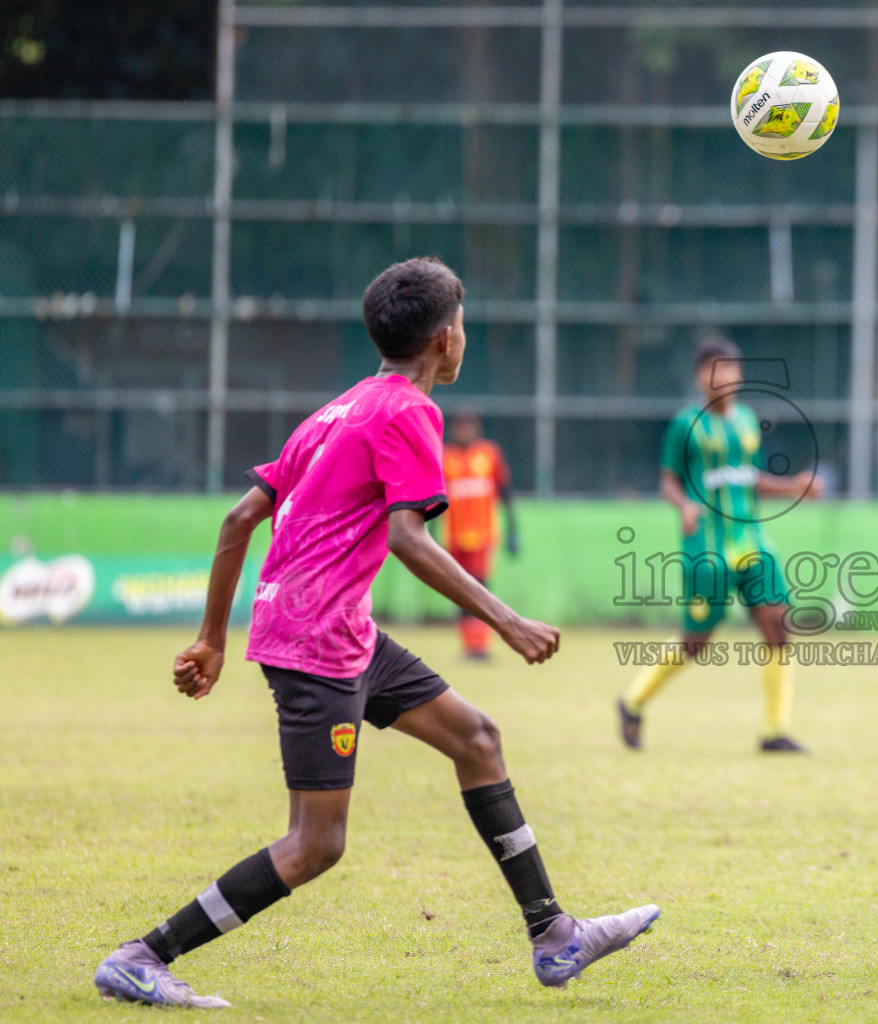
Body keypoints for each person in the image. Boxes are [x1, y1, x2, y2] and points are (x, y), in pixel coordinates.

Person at [93, 258, 658, 1009]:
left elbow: (238, 521)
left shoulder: (338, 408)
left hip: (336, 630)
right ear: (447, 338)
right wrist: (508, 619)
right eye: (464, 324)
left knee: (477, 739)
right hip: (317, 643)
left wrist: (214, 640)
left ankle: (554, 936)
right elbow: (408, 539)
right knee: (316, 844)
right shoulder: (408, 412)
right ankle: (142, 955)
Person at [616, 336, 821, 753]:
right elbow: (668, 480)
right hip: (706, 548)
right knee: (696, 641)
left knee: (777, 626)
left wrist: (793, 487)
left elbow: (748, 478)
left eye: (729, 368)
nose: (723, 377)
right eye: (714, 370)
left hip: (750, 541)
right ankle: (632, 701)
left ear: (740, 374)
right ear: (700, 377)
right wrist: (684, 506)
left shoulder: (746, 422)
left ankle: (775, 731)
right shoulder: (684, 425)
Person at [442, 412, 516, 659]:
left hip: (483, 537)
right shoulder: (445, 457)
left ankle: (481, 645)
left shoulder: (489, 453)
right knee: (459, 591)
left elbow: (505, 491)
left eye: (468, 426)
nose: (464, 431)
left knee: (481, 588)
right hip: (454, 537)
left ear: (476, 428)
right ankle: (468, 645)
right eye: (460, 426)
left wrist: (513, 530)